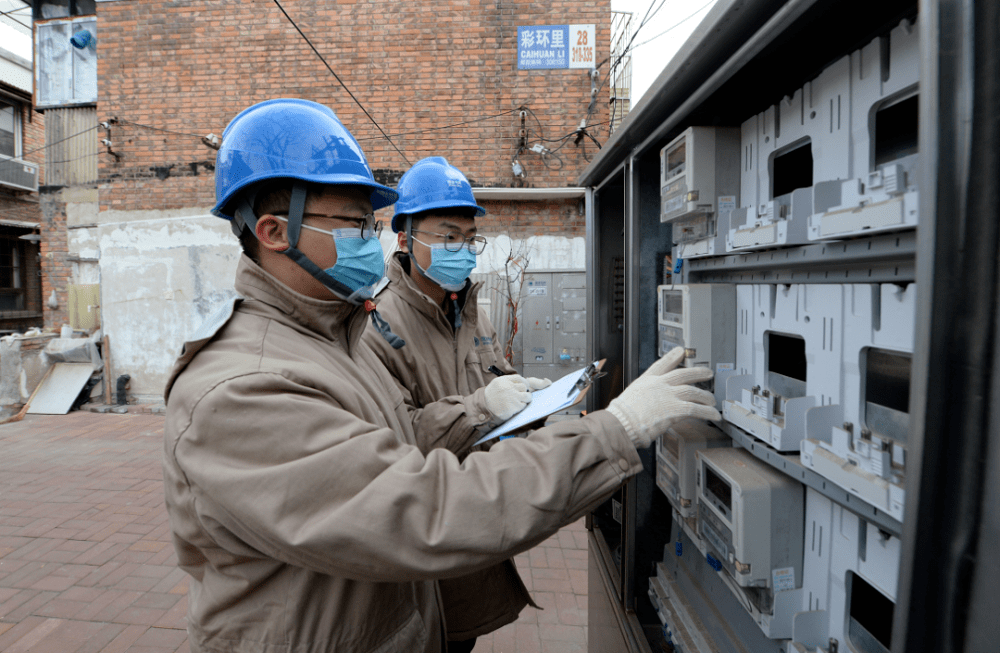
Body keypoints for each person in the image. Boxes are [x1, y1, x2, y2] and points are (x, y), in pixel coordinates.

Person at [162, 98, 721, 653]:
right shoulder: (241, 388)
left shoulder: (335, 338)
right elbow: (423, 507)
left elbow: (403, 439)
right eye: (356, 224)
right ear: (273, 231)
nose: (370, 241)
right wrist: (614, 431)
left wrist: (491, 407)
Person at [361, 156, 545, 652]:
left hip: (473, 526)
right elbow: (397, 436)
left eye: (469, 238)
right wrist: (483, 405)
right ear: (404, 239)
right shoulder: (377, 325)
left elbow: (490, 379)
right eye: (447, 237)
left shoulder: (466, 309)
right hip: (424, 538)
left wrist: (528, 399)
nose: (462, 251)